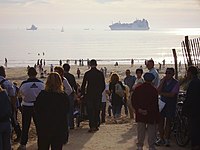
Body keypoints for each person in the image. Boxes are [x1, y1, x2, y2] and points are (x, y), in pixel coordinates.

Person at [35, 72, 69, 150]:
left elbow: (37, 109)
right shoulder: (63, 96)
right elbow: (66, 111)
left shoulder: (42, 95)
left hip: (44, 127)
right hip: (58, 127)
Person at [18, 67, 44, 150]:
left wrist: (20, 106)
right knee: (39, 126)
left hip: (26, 105)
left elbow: (19, 95)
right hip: (38, 106)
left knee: (25, 126)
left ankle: (23, 144)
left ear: (28, 74)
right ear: (36, 74)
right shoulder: (41, 84)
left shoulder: (24, 84)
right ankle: (41, 143)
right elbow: (44, 95)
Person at [132, 73, 159, 150]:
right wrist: (148, 111)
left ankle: (140, 146)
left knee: (141, 131)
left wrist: (138, 109)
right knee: (151, 131)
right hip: (150, 113)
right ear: (152, 80)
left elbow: (133, 100)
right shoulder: (154, 90)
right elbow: (155, 104)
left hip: (140, 113)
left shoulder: (138, 89)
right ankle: (151, 146)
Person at [156, 68, 179, 147]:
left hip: (171, 104)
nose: (167, 74)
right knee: (160, 121)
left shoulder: (176, 83)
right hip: (162, 104)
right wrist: (163, 81)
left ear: (173, 74)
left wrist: (162, 93)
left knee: (168, 122)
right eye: (166, 73)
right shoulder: (163, 81)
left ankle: (167, 139)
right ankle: (161, 138)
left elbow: (172, 95)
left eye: (169, 73)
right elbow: (158, 91)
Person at [81, 59, 105, 132]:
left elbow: (83, 85)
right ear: (96, 64)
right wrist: (100, 92)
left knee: (90, 110)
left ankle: (92, 126)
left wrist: (83, 94)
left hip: (89, 94)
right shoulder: (100, 73)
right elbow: (103, 85)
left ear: (90, 65)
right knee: (97, 110)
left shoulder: (87, 73)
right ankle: (97, 124)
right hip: (97, 94)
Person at [0, 66, 21, 143]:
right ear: (4, 73)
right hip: (7, 106)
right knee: (13, 121)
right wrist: (14, 106)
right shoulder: (7, 83)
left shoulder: (6, 83)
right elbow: (13, 96)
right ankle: (18, 135)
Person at [183, 66, 200, 150]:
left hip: (193, 110)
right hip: (197, 109)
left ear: (190, 73)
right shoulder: (197, 81)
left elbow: (190, 98)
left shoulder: (193, 83)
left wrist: (185, 108)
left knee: (194, 128)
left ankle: (195, 145)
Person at [63, 63, 77, 129]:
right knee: (70, 109)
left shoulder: (62, 77)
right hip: (70, 93)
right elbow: (74, 85)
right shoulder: (71, 76)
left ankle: (65, 124)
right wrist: (76, 93)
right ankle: (71, 125)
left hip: (63, 94)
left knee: (64, 109)